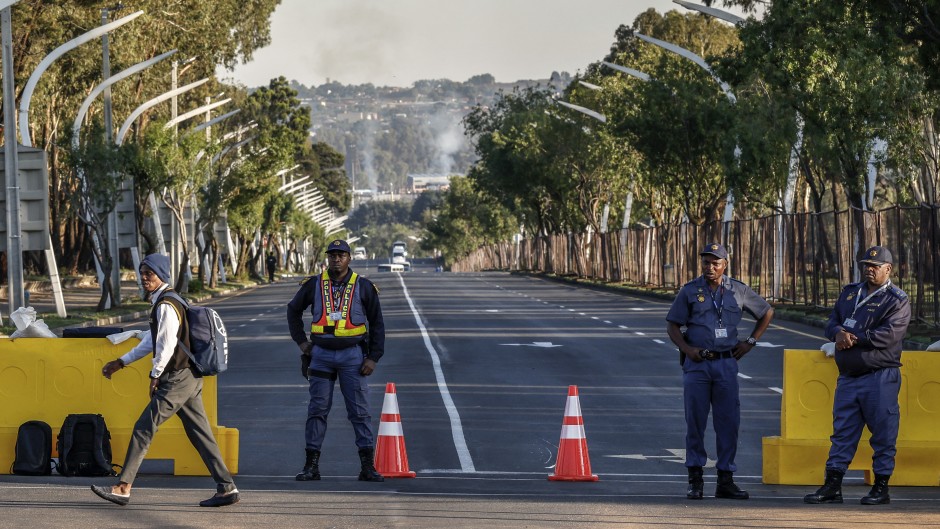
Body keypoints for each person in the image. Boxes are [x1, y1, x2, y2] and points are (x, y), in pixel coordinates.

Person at [91, 254, 239, 507]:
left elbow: (166, 344)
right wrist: (122, 362)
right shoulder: (166, 301)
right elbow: (151, 340)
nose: (144, 278)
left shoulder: (167, 305)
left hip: (177, 378)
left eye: (149, 273)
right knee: (200, 434)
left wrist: (155, 375)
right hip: (188, 377)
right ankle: (226, 488)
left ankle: (122, 487)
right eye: (142, 273)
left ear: (161, 275)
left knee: (143, 428)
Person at [666, 242, 774, 500]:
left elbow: (767, 312)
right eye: (706, 262)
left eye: (715, 263)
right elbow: (672, 325)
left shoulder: (738, 290)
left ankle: (726, 480)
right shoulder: (690, 291)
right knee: (695, 422)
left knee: (728, 423)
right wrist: (687, 349)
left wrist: (751, 342)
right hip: (698, 365)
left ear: (725, 265)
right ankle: (695, 479)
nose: (710, 267)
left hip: (726, 364)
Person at [804, 246, 910, 506]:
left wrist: (851, 338)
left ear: (889, 269)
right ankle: (832, 486)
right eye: (866, 264)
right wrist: (837, 333)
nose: (869, 269)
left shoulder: (897, 300)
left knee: (883, 433)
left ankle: (880, 487)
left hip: (879, 377)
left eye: (875, 265)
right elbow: (831, 323)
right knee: (842, 432)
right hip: (849, 376)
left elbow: (889, 336)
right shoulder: (851, 292)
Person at [287, 239, 386, 482]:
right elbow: (293, 310)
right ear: (328, 258)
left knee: (359, 412)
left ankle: (367, 467)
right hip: (320, 355)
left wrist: (373, 357)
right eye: (332, 255)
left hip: (353, 355)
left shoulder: (363, 286)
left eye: (341, 255)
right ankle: (311, 466)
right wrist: (302, 342)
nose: (336, 259)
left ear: (349, 258)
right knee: (317, 410)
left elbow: (377, 324)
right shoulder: (313, 284)